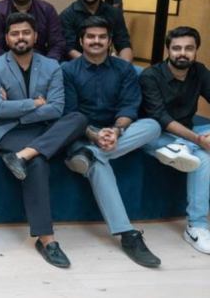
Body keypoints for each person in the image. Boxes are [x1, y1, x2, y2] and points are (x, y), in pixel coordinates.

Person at [0, 12, 88, 268]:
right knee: (38, 163)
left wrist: (17, 108)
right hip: (9, 131)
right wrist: (34, 104)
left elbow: (57, 108)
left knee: (78, 119)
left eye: (26, 32)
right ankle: (47, 240)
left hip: (43, 130)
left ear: (36, 36)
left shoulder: (52, 66)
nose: (21, 37)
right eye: (15, 33)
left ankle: (22, 155)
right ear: (7, 38)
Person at [62, 16, 162, 268]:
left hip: (116, 132)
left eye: (102, 37)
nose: (96, 41)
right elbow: (70, 113)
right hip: (81, 134)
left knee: (153, 126)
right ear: (81, 41)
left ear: (109, 41)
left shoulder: (124, 69)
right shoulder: (67, 71)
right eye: (91, 36)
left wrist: (116, 131)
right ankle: (127, 234)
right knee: (97, 163)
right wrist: (94, 135)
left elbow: (129, 106)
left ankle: (93, 153)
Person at [140, 26, 210, 254]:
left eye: (189, 48)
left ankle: (196, 227)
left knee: (201, 153)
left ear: (196, 50)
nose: (182, 53)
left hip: (188, 134)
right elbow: (161, 118)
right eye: (177, 48)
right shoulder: (151, 76)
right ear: (168, 50)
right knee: (203, 157)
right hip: (155, 135)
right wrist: (199, 140)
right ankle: (197, 226)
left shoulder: (199, 71)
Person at [59, 0, 133, 62]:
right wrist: (94, 64)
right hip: (77, 65)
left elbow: (124, 44)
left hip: (106, 64)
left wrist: (125, 66)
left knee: (137, 70)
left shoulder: (114, 13)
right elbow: (69, 48)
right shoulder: (67, 15)